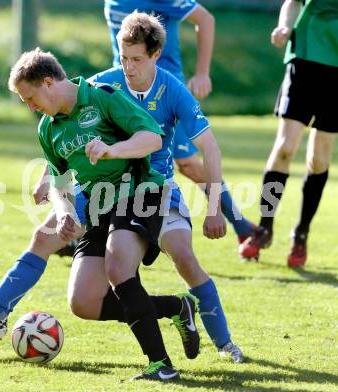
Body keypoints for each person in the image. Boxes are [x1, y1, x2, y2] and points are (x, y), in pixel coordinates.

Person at [0, 47, 201, 381]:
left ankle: (161, 365)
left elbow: (152, 138)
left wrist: (113, 150)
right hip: (98, 204)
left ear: (49, 82)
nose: (30, 106)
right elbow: (59, 178)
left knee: (118, 266)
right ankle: (176, 307)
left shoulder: (103, 98)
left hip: (140, 193)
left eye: (30, 97)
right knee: (84, 302)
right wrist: (66, 210)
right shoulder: (47, 128)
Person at [68, 10, 243, 364]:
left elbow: (210, 148)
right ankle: (173, 312)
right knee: (76, 264)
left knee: (184, 256)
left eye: (136, 59)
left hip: (159, 192)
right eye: (123, 57)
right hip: (110, 196)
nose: (128, 67)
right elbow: (63, 119)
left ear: (155, 54)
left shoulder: (172, 89)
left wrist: (213, 210)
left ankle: (224, 344)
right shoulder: (103, 83)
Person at [104, 0, 255, 249]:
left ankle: (242, 227)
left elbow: (205, 19)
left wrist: (203, 72)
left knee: (188, 164)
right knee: (113, 160)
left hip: (162, 92)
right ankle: (86, 232)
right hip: (122, 95)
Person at [239, 0, 338, 267]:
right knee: (285, 148)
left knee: (318, 159)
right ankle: (265, 227)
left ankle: (301, 233)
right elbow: (293, 2)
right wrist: (284, 27)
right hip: (305, 59)